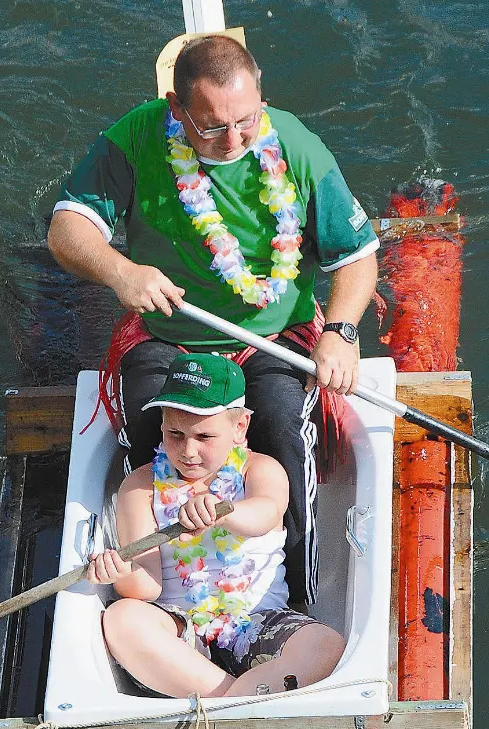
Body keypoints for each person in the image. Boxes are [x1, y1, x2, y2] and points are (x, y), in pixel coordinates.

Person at [48, 33, 378, 607]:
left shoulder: (297, 148)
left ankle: (295, 598)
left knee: (281, 432)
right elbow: (67, 230)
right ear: (176, 110)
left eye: (246, 121)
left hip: (272, 335)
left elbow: (355, 257)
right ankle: (162, 593)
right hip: (169, 334)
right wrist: (122, 272)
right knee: (156, 438)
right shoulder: (133, 139)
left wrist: (341, 331)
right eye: (211, 127)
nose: (232, 140)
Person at [87, 354, 343, 698]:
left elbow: (266, 513)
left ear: (240, 429)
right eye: (175, 433)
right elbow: (144, 588)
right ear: (161, 424)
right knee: (121, 619)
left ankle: (230, 702)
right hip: (179, 631)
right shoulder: (140, 485)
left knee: (325, 645)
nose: (188, 450)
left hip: (259, 619)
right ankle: (233, 699)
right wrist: (118, 570)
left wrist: (224, 512)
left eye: (204, 436)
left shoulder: (260, 469)